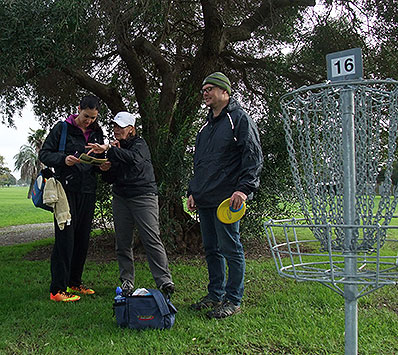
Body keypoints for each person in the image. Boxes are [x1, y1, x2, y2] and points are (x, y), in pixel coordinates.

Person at [187, 72, 263, 318]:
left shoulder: (239, 119)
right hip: (206, 198)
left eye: (210, 88)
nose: (205, 93)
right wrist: (192, 191)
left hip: (227, 200)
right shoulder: (206, 126)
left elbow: (252, 156)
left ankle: (233, 299)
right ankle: (215, 294)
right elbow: (200, 163)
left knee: (231, 248)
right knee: (211, 249)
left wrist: (243, 189)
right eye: (204, 90)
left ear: (224, 92)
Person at [86, 111, 174, 296]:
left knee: (151, 239)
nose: (116, 130)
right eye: (115, 126)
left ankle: (165, 281)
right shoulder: (116, 148)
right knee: (123, 242)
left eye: (121, 127)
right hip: (121, 198)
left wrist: (110, 149)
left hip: (143, 197)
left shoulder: (140, 145)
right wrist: (105, 169)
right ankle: (127, 282)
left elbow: (134, 159)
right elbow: (111, 178)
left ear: (131, 129)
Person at [39, 95, 105, 302]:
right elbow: (44, 154)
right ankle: (57, 289)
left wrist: (102, 162)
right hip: (65, 191)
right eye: (86, 116)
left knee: (82, 239)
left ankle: (75, 283)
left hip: (88, 190)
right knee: (65, 239)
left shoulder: (97, 132)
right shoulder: (62, 128)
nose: (89, 121)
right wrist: (63, 159)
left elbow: (101, 159)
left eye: (93, 118)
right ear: (78, 109)